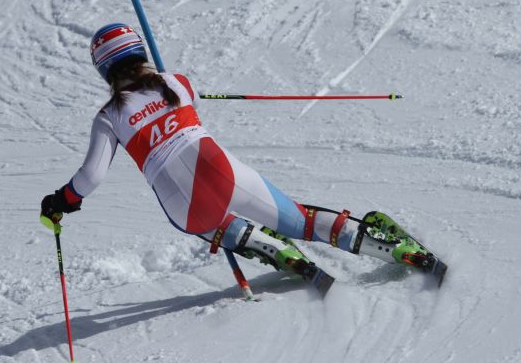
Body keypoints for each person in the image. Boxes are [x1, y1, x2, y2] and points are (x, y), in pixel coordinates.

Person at [40, 23, 431, 284]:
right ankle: (393, 250)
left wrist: (61, 202)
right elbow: (190, 98)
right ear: (139, 50)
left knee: (208, 219)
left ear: (103, 69)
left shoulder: (108, 116)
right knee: (301, 221)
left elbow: (91, 177)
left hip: (184, 209)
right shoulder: (175, 82)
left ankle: (269, 248)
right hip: (219, 170)